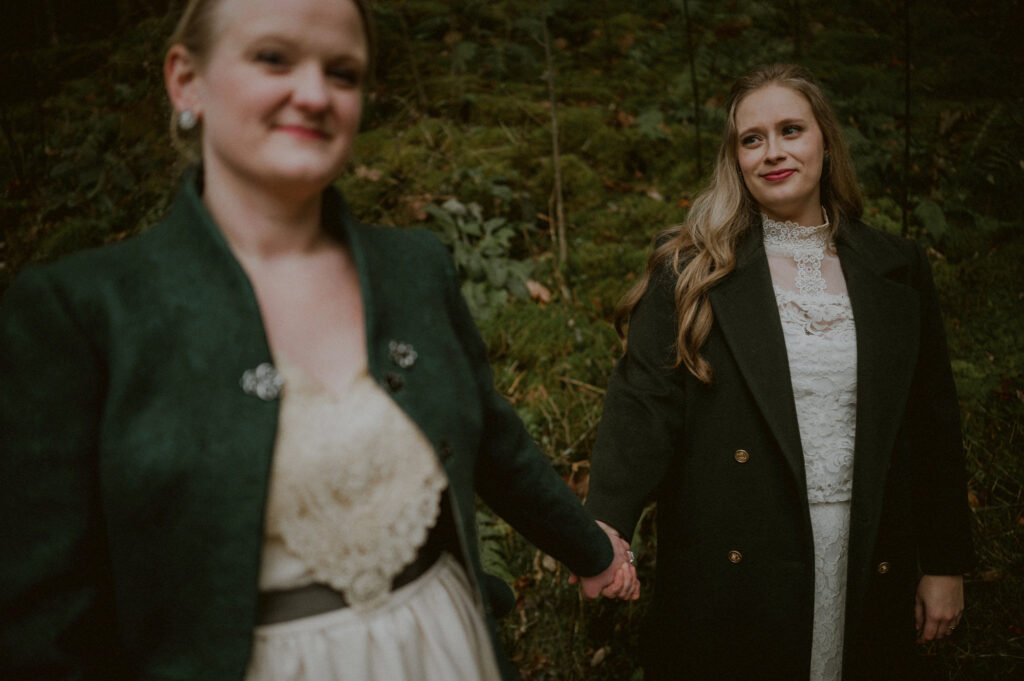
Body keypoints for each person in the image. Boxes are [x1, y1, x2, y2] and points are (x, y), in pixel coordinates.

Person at [0, 0, 638, 679]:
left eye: (343, 72)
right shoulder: (81, 312)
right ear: (186, 79)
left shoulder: (415, 267)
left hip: (444, 648)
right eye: (273, 58)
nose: (314, 94)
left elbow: (493, 438)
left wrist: (589, 549)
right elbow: (45, 616)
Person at [584, 63, 974, 681]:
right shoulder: (692, 269)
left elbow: (931, 424)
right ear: (735, 158)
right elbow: (643, 405)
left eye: (790, 130)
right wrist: (606, 524)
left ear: (824, 139)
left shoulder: (896, 268)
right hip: (736, 544)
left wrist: (944, 561)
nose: (773, 153)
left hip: (868, 543)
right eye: (752, 138)